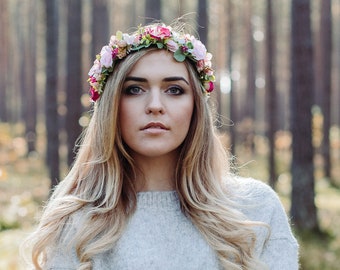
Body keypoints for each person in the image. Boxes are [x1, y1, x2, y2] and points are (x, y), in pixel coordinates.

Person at [25, 21, 299, 270]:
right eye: (134, 89)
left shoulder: (255, 209)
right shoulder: (75, 220)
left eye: (174, 90)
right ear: (111, 106)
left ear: (196, 108)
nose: (155, 106)